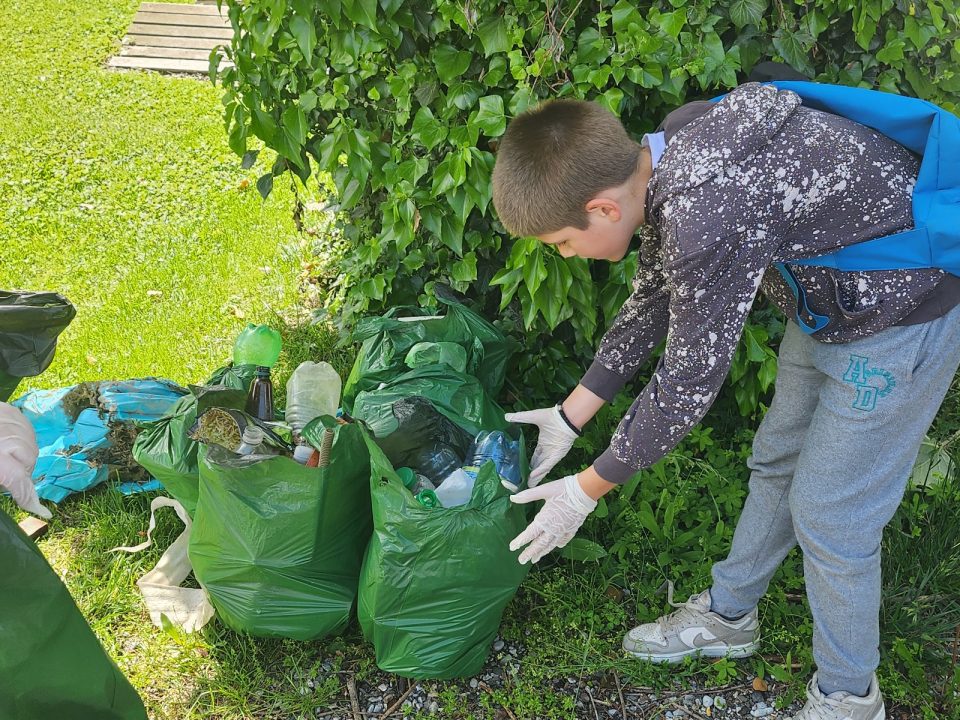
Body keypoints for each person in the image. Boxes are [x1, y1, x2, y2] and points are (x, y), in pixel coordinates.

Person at [491, 81, 960, 720]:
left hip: (906, 311)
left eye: (562, 243)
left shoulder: (705, 206)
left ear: (602, 208)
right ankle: (731, 616)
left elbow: (686, 386)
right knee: (776, 461)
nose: (570, 255)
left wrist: (584, 491)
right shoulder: (668, 151)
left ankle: (851, 698)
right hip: (832, 304)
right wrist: (570, 416)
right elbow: (655, 296)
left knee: (831, 514)